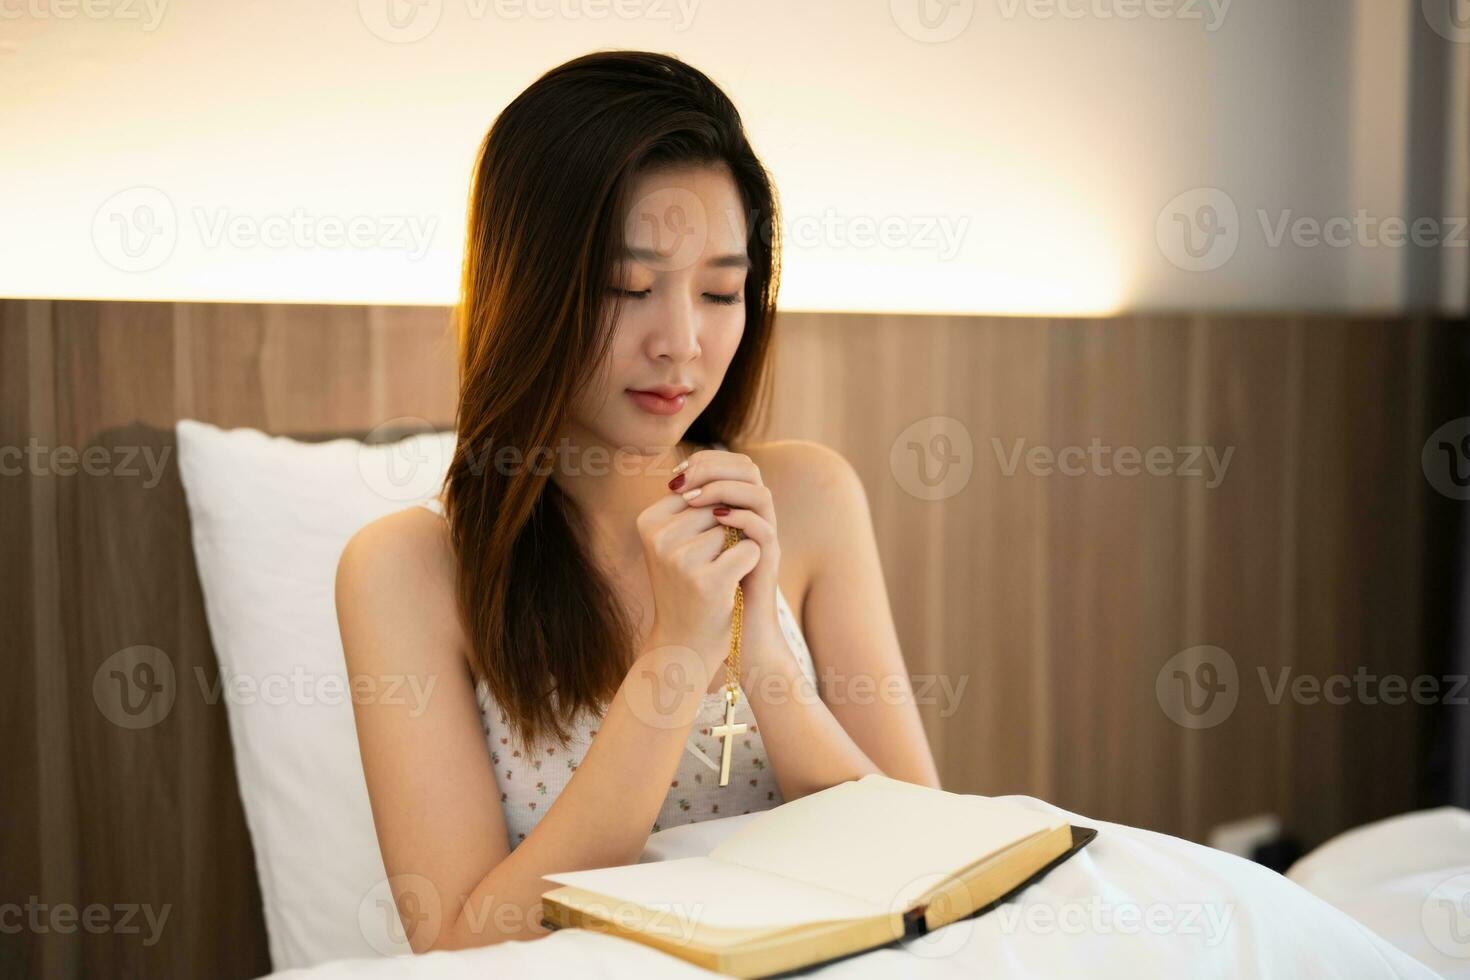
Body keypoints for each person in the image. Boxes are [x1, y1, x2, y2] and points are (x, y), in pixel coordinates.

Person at [335, 49, 940, 952]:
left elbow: (933, 865)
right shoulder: (407, 570)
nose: (683, 343)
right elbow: (461, 945)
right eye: (629, 287)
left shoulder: (809, 497)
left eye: (721, 290)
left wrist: (761, 651)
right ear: (527, 288)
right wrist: (675, 658)